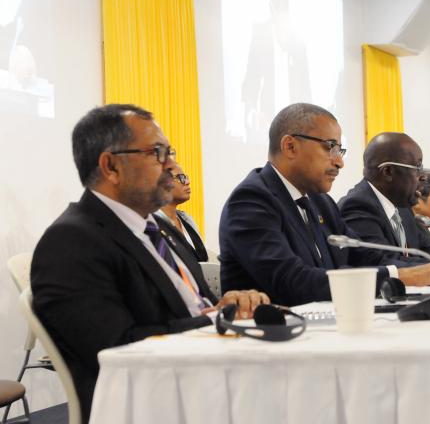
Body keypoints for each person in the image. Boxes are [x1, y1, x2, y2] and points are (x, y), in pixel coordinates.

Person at [31, 104, 269, 423]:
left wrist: (228, 305)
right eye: (158, 153)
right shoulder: (71, 242)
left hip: (207, 380)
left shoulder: (158, 229)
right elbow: (117, 350)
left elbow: (195, 306)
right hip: (155, 406)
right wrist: (217, 320)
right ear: (111, 166)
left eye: (169, 152)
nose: (171, 165)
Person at [219, 103, 430, 306]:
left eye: (340, 151)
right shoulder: (252, 201)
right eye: (330, 148)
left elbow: (369, 256)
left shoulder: (320, 202)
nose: (339, 162)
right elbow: (293, 283)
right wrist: (412, 276)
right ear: (290, 146)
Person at [339, 133, 430, 261]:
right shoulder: (358, 206)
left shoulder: (402, 208)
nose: (423, 176)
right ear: (388, 171)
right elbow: (387, 263)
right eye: (417, 167)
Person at [155, 165, 208, 262]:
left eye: (186, 177)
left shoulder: (187, 219)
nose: (187, 182)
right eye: (180, 178)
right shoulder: (153, 224)